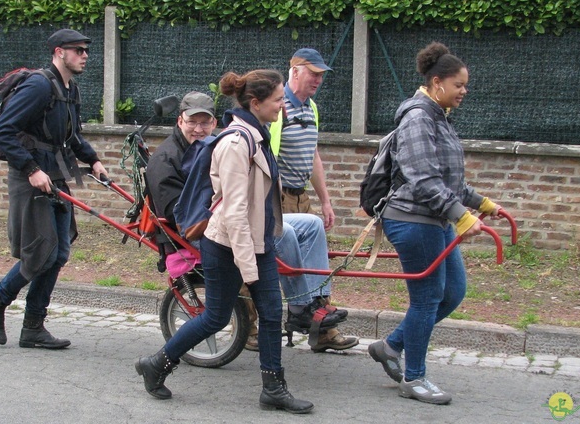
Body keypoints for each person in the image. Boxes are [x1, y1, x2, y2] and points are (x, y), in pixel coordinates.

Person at [135, 69, 314, 414]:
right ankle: (156, 363)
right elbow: (233, 212)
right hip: (227, 245)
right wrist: (249, 267)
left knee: (271, 314)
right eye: (278, 99)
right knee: (216, 317)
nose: (283, 105)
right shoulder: (236, 142)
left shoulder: (256, 133)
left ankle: (273, 388)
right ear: (256, 102)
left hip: (254, 241)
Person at [145, 92, 353, 353]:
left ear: (213, 123)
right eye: (192, 122)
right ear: (179, 122)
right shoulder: (166, 159)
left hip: (238, 216)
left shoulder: (214, 144)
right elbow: (178, 214)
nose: (199, 129)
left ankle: (315, 301)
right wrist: (226, 207)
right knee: (282, 231)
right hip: (203, 229)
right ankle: (300, 308)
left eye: (205, 122)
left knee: (311, 224)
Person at [367, 42, 502, 405]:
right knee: (426, 300)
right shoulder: (417, 118)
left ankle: (390, 346)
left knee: (453, 293)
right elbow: (422, 180)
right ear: (437, 82)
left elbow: (448, 181)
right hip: (412, 220)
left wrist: (480, 203)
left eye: (465, 85)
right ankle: (414, 378)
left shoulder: (438, 116)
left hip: (435, 218)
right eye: (459, 84)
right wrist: (461, 216)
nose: (464, 91)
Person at [0, 29, 109, 349]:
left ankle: (33, 327)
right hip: (31, 177)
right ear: (58, 52)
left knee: (60, 251)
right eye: (77, 50)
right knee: (42, 251)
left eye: (85, 50)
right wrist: (31, 169)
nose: (84, 55)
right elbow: (4, 131)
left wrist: (93, 162)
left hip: (55, 174)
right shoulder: (39, 85)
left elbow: (71, 136)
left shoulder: (71, 89)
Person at [269, 47, 358, 352]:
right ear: (294, 71)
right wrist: (272, 199)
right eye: (313, 73)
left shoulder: (311, 108)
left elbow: (313, 155)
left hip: (300, 197)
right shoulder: (278, 108)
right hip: (276, 198)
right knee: (265, 263)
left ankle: (320, 330)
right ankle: (252, 329)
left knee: (312, 264)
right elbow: (268, 156)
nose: (318, 79)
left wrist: (326, 201)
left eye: (321, 75)